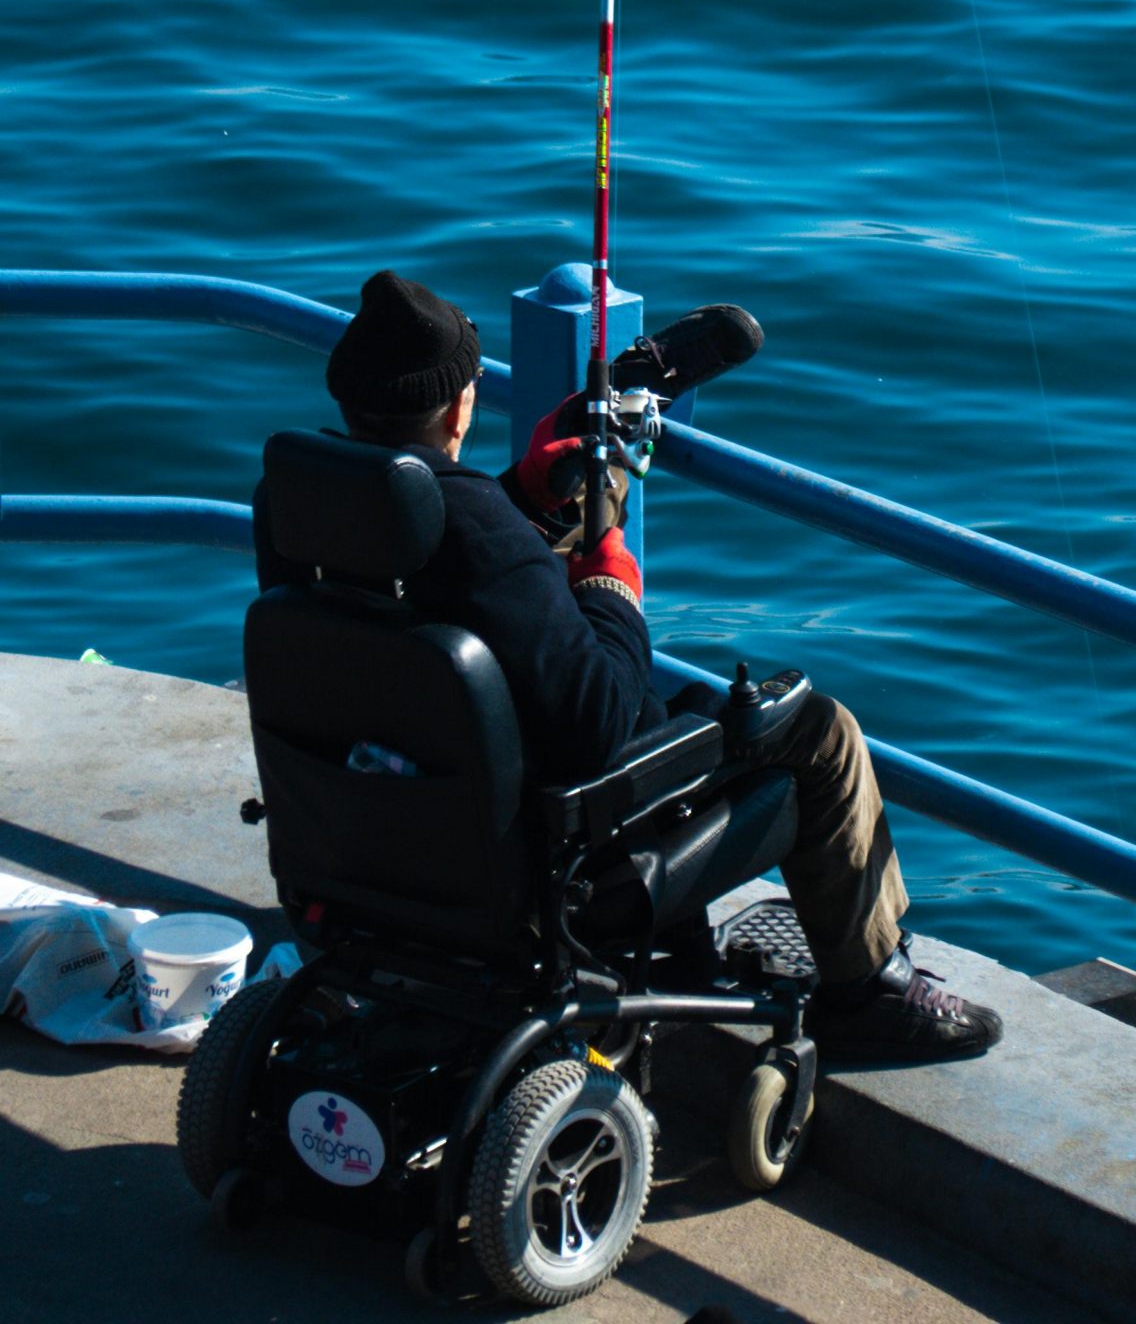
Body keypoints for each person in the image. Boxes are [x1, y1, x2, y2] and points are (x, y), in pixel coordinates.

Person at [253, 269, 1001, 1061]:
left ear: (348, 400)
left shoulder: (298, 507)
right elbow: (599, 722)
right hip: (537, 864)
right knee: (815, 730)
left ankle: (691, 957)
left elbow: (435, 572)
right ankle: (870, 992)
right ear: (461, 403)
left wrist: (528, 499)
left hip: (366, 838)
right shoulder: (481, 535)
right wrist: (612, 587)